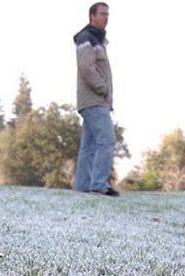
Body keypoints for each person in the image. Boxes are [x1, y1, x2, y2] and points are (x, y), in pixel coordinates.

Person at [73, 2, 119, 197]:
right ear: (92, 16)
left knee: (90, 145)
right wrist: (103, 89)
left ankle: (83, 185)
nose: (106, 17)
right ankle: (99, 184)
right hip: (94, 100)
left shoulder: (98, 40)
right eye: (102, 14)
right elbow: (86, 69)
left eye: (107, 14)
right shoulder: (87, 38)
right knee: (107, 140)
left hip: (96, 100)